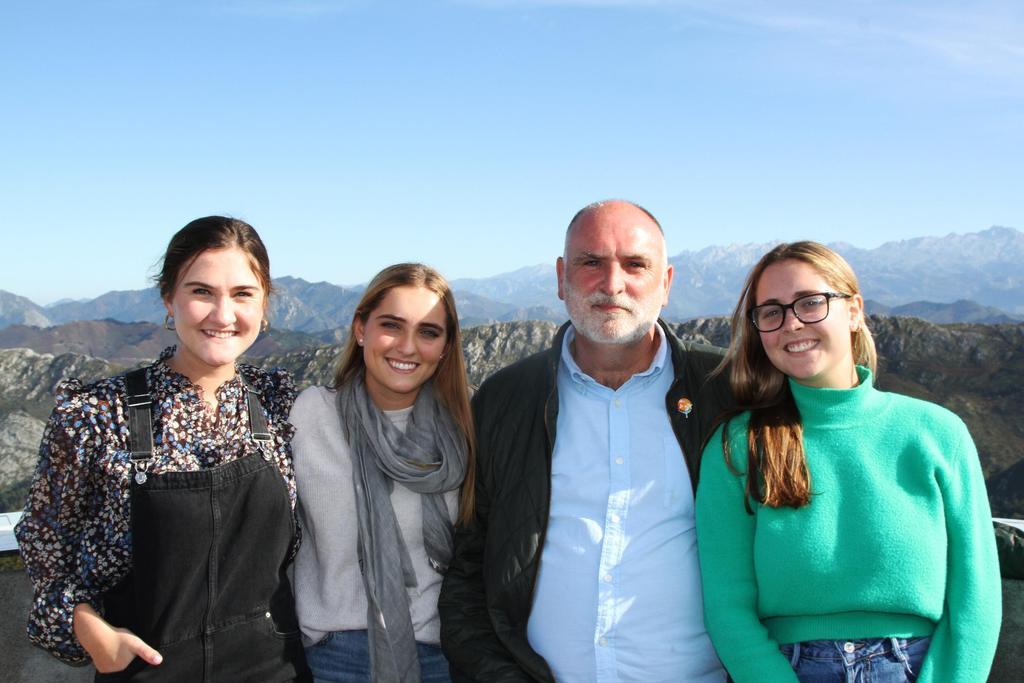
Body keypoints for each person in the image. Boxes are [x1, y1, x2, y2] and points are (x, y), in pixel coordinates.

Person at [439, 200, 734, 682]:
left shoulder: (726, 391)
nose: (612, 283)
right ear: (561, 277)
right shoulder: (506, 400)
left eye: (635, 264)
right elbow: (469, 568)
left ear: (666, 282)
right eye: (590, 262)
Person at [15, 216, 311, 681]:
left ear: (265, 305)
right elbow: (43, 545)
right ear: (168, 300)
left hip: (274, 668)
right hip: (148, 669)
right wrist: (89, 628)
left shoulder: (282, 405)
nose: (223, 314)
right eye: (201, 292)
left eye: (242, 294)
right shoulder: (97, 416)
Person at [695, 241, 1002, 682]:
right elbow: (726, 604)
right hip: (790, 669)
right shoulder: (738, 445)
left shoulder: (937, 434)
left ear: (854, 310)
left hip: (918, 666)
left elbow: (976, 593)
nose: (792, 323)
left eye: (811, 303)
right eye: (772, 311)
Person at [290, 263, 474, 683]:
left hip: (442, 655)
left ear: (445, 346)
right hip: (333, 655)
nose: (407, 347)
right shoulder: (309, 415)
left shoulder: (466, 426)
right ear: (361, 329)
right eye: (392, 325)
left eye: (429, 332)